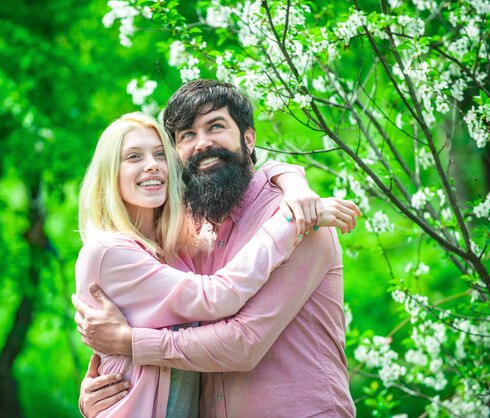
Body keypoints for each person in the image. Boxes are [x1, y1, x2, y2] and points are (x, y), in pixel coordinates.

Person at [75, 80, 358, 417]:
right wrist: (100, 390)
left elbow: (243, 343)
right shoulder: (187, 236)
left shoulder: (301, 220)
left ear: (248, 138)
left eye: (216, 127)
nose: (203, 144)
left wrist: (129, 343)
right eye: (186, 136)